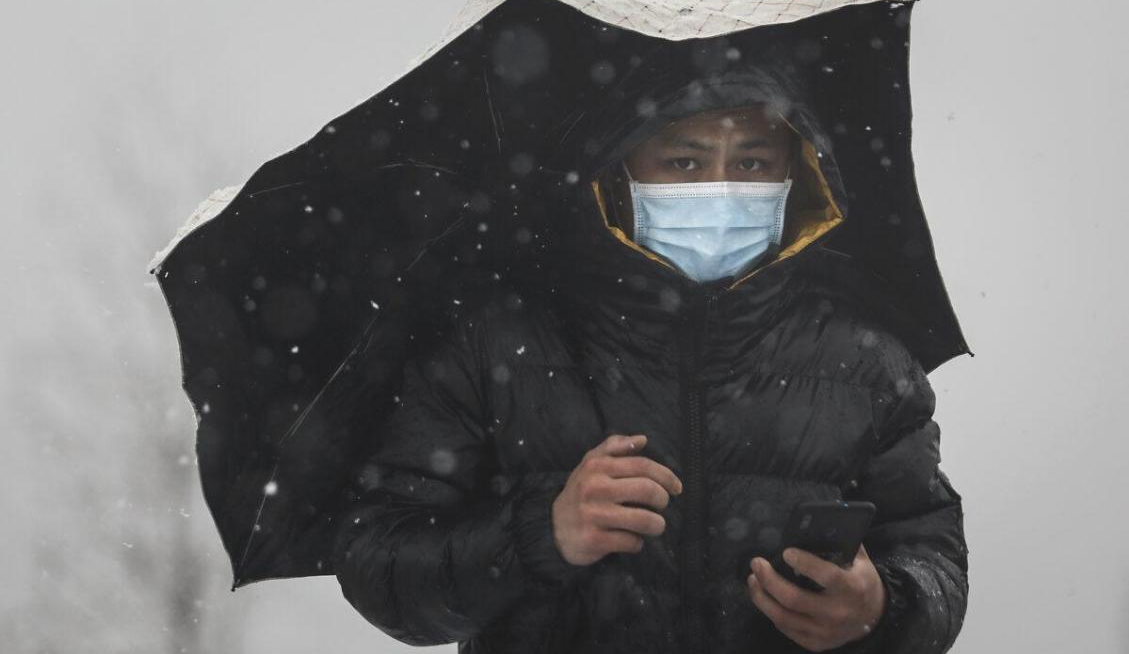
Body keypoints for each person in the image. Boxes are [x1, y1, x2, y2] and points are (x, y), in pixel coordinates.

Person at [332, 58, 969, 654]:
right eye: (684, 163)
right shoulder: (492, 343)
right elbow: (380, 562)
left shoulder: (868, 363)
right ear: (619, 171)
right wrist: (540, 533)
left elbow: (933, 556)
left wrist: (883, 608)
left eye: (751, 165)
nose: (720, 192)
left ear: (796, 174)